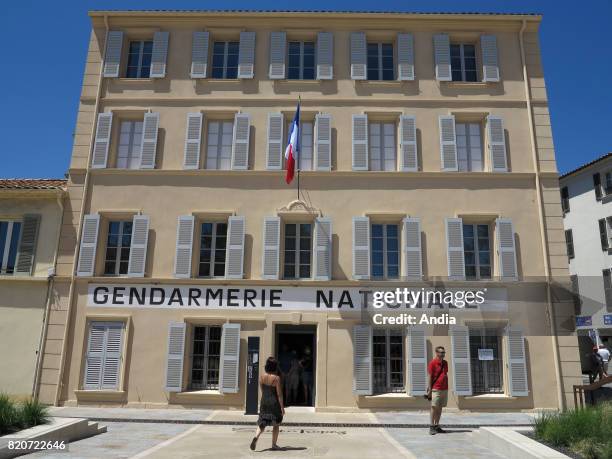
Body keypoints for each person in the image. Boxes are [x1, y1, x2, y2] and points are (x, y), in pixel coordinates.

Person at [250, 357, 285, 451]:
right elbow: (279, 395)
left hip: (264, 401)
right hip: (274, 403)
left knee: (262, 422)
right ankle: (274, 444)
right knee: (276, 424)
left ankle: (256, 437)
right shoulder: (276, 378)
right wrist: (282, 407)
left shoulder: (261, 376)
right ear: (275, 367)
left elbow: (262, 390)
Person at [426, 346, 448, 435]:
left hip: (444, 388)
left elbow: (445, 374)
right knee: (434, 407)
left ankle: (437, 425)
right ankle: (431, 426)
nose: (443, 354)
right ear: (437, 353)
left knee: (440, 408)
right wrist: (430, 389)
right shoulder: (432, 363)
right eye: (441, 352)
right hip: (436, 388)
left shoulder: (445, 363)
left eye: (444, 352)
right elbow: (430, 377)